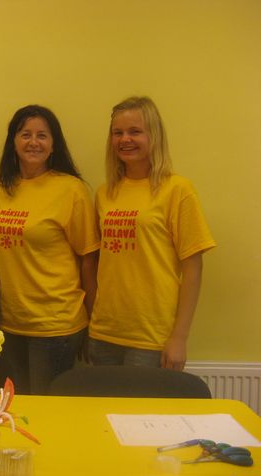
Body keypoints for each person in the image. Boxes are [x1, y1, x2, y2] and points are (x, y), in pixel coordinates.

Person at [89, 96, 216, 371]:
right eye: (117, 133)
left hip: (151, 337)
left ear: (154, 135)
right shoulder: (105, 193)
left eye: (135, 131)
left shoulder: (177, 190)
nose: (125, 139)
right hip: (103, 332)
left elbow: (193, 269)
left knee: (141, 402)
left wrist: (179, 337)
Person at [0, 105, 99, 394]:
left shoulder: (71, 189)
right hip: (9, 324)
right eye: (25, 134)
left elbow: (89, 260)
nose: (33, 142)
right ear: (13, 141)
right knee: (16, 408)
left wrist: (93, 323)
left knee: (45, 408)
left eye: (42, 135)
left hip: (56, 325)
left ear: (53, 145)